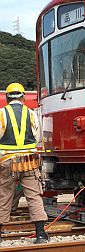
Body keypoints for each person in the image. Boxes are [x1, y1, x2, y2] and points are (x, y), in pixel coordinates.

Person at [0, 83, 49, 243]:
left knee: (4, 195)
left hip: (7, 161)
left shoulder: (2, 114)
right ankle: (41, 234)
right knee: (34, 195)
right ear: (22, 97)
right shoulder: (31, 114)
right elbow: (37, 137)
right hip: (29, 161)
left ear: (7, 98)